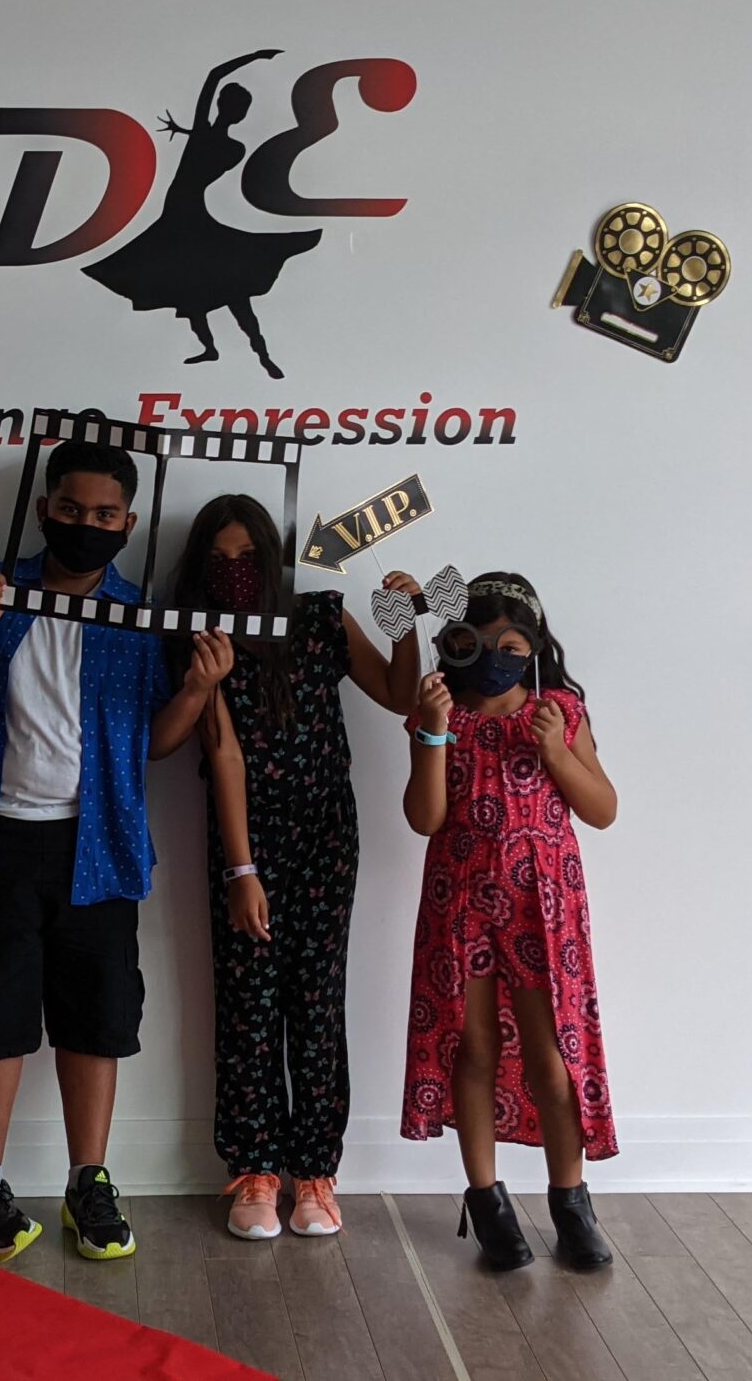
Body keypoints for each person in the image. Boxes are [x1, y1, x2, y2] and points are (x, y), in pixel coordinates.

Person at [0, 439, 233, 1264]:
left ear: (128, 523)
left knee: (98, 1014)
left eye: (103, 516)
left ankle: (88, 1180)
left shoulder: (136, 615)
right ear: (42, 510)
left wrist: (198, 690)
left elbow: (155, 744)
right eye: (70, 510)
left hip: (100, 842)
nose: (85, 525)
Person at [164, 496, 422, 1241]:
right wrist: (242, 868)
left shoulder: (319, 616)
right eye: (221, 560)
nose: (237, 573)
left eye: (250, 558)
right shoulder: (199, 637)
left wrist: (406, 620)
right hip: (245, 839)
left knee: (316, 1003)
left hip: (327, 834)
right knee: (247, 1002)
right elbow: (221, 752)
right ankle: (254, 1171)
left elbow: (401, 695)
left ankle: (315, 1171)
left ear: (274, 560)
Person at [399, 572, 621, 1270]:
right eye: (476, 640)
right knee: (473, 1051)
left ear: (532, 647)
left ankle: (570, 1199)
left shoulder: (560, 712)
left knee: (551, 1061)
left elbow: (603, 808)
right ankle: (487, 1200)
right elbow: (424, 818)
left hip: (542, 911)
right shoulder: (440, 715)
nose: (494, 654)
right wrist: (434, 733)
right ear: (454, 643)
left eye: (511, 642)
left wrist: (555, 750)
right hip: (459, 907)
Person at [80, 50, 320, 378]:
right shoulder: (220, 142)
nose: (239, 112)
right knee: (194, 286)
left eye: (243, 108)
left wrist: (190, 133)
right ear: (226, 106)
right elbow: (213, 77)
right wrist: (253, 56)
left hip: (188, 211)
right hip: (181, 212)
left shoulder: (228, 145)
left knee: (224, 284)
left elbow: (203, 136)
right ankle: (215, 348)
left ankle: (258, 351)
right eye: (237, 105)